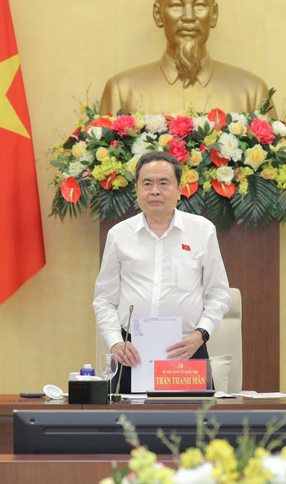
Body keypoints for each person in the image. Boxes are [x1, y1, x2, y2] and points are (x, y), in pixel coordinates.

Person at [93, 151, 231, 393]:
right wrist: (116, 342)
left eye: (163, 183)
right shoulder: (119, 235)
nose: (154, 191)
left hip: (188, 348)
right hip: (132, 354)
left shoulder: (202, 231)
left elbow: (219, 292)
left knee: (195, 427)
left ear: (180, 190)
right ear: (136, 190)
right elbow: (104, 299)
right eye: (147, 183)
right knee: (127, 426)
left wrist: (201, 335)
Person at [100, 0, 274, 116]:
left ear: (214, 15)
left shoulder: (252, 92)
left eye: (200, 5)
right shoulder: (122, 91)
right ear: (158, 14)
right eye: (176, 5)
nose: (189, 17)